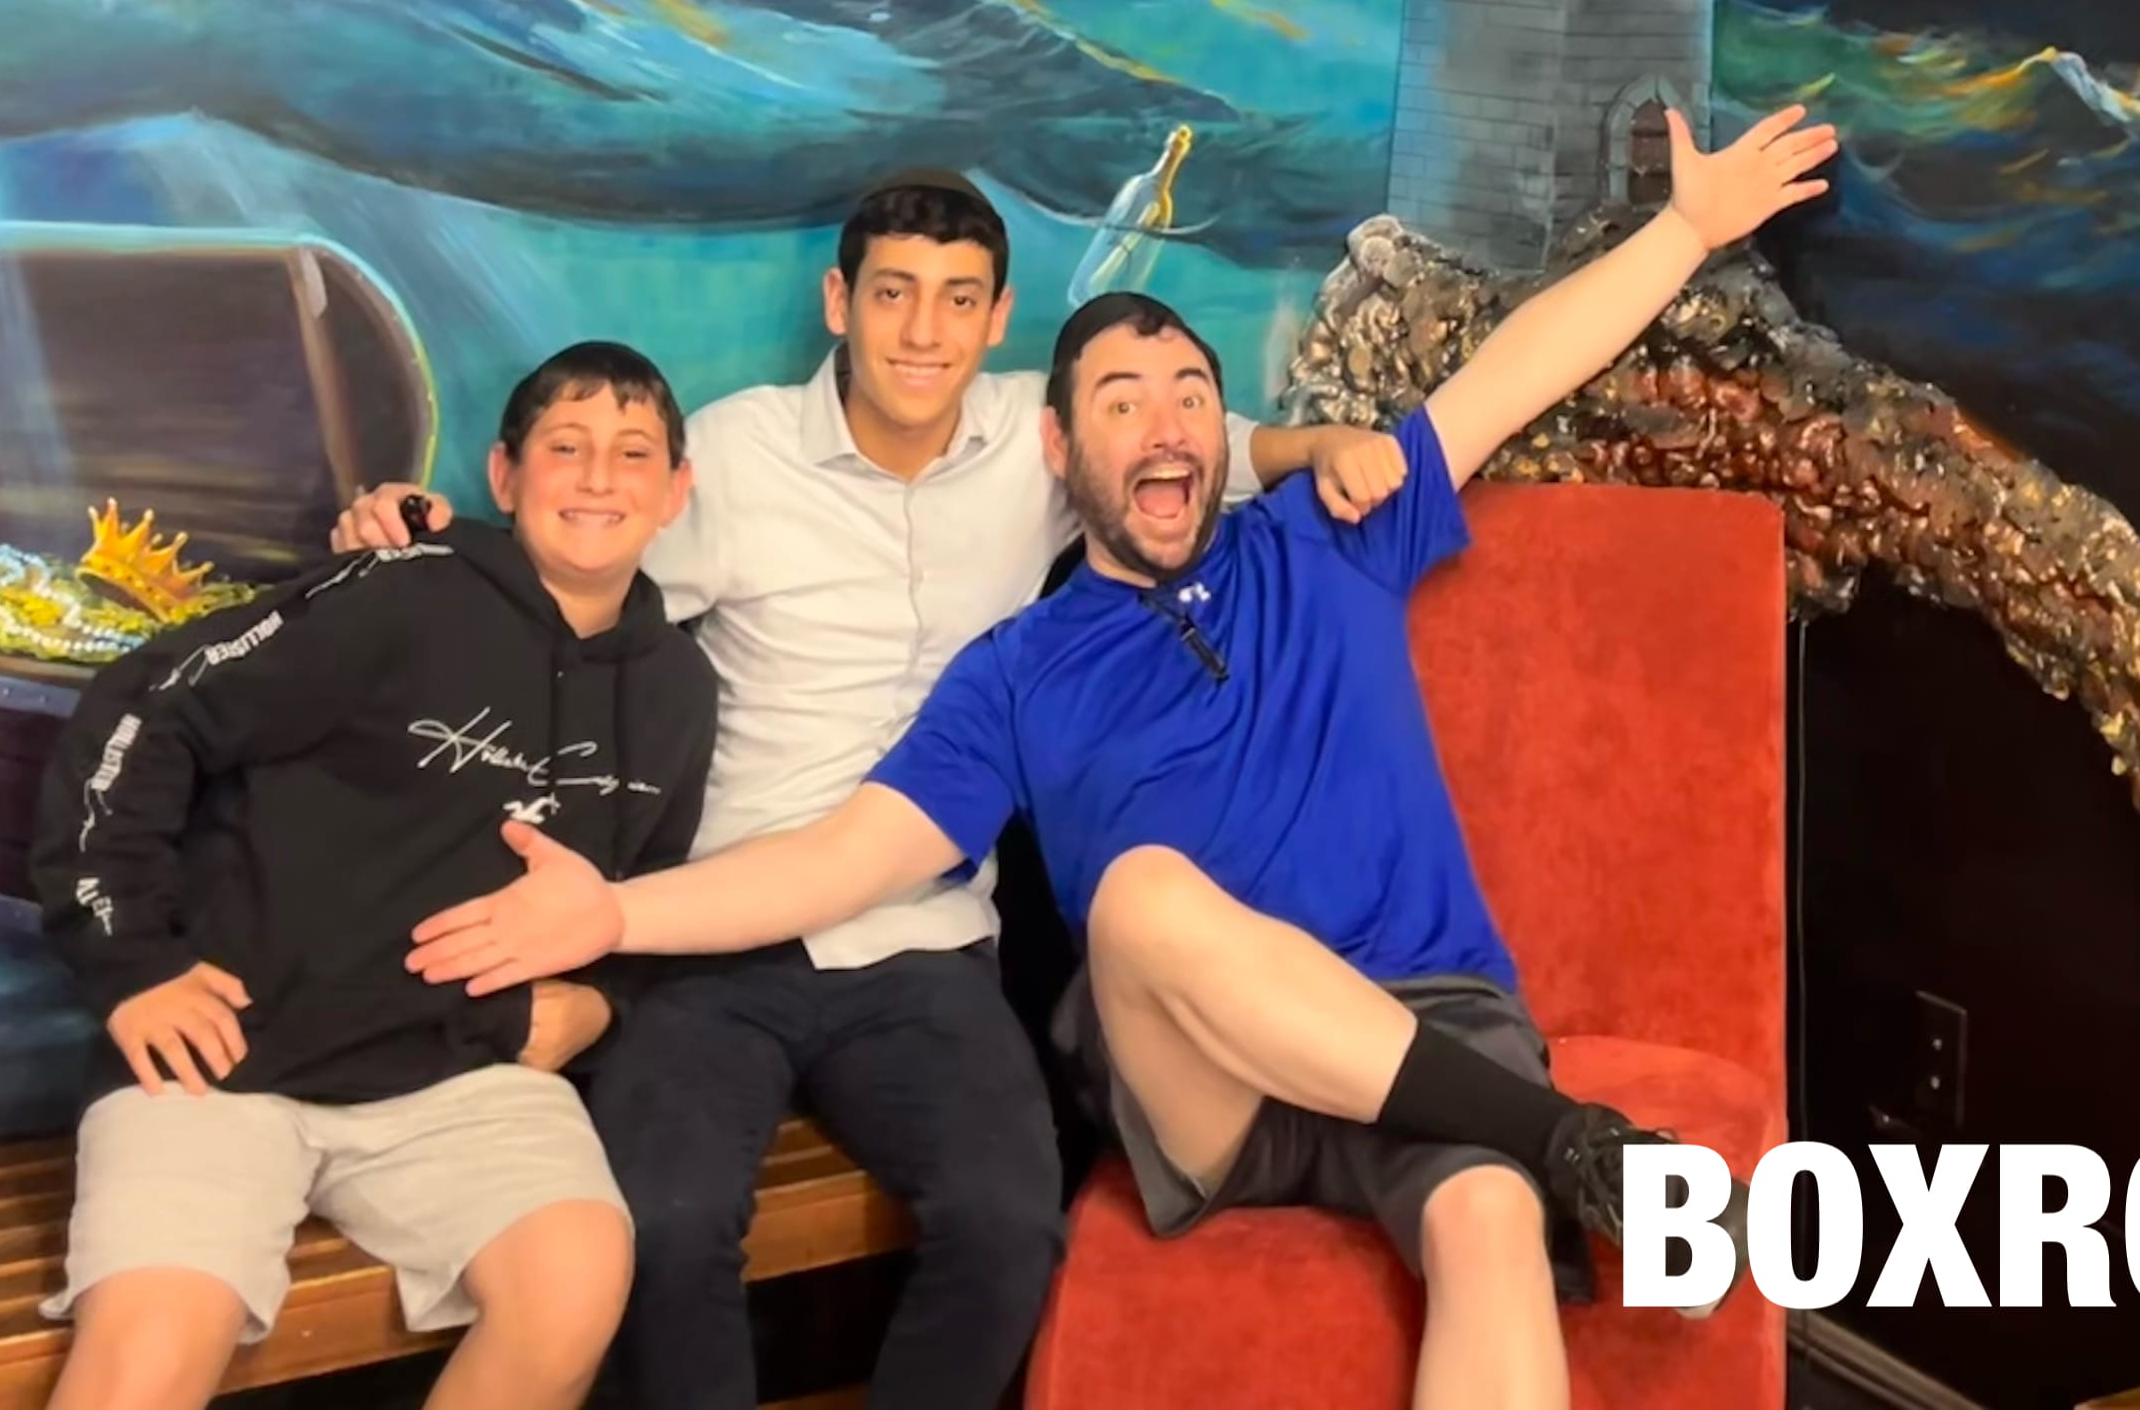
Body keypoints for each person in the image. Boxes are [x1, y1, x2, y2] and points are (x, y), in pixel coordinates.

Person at [401, 112, 1840, 1410]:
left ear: (1223, 433)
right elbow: (841, 855)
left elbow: (1513, 374)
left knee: (1489, 1223)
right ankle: (1576, 1143)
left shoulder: (1328, 540)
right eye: (1121, 401)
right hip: (1207, 1080)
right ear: (1054, 446)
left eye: (1190, 396)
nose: (1164, 424)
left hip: (1427, 1016)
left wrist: (1687, 230)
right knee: (1143, 893)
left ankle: (1554, 1166)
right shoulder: (1013, 670)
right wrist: (608, 911)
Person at [323, 173, 1409, 1410]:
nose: (924, 331)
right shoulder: (736, 454)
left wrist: (1326, 446)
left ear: (998, 317)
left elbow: (1211, 447)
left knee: (1011, 1224)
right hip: (712, 937)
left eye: (958, 300)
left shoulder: (1039, 437)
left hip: (923, 946)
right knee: (667, 1227)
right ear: (841, 301)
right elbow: (571, 564)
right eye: (894, 294)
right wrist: (419, 535)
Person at [26, 344, 718, 1410]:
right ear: (504, 476)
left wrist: (601, 1004)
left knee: (576, 1281)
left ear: (676, 490)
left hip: (461, 1081)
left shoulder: (677, 687)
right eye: (564, 447)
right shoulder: (395, 593)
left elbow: (641, 901)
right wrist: (131, 964)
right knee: (149, 1352)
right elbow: (145, 712)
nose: (596, 479)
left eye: (633, 454)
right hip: (226, 1062)